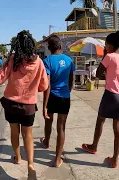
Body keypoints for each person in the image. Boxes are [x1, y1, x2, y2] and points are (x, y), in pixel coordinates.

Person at [0, 30, 48, 178]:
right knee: (28, 135)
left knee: (14, 132)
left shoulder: (12, 60)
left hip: (11, 105)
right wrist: (32, 89)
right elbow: (44, 86)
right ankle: (31, 166)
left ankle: (18, 157)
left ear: (16, 45)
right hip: (29, 107)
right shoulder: (38, 62)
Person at [81, 31, 119, 168]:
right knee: (117, 128)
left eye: (106, 45)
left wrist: (105, 55)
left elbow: (98, 73)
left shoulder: (109, 57)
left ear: (109, 45)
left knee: (100, 120)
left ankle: (93, 146)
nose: (105, 47)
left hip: (111, 95)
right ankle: (115, 159)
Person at [40, 35, 75, 168]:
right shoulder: (69, 60)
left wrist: (44, 106)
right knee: (61, 128)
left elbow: (47, 86)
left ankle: (46, 142)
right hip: (65, 97)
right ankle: (57, 159)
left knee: (49, 121)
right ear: (60, 46)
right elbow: (71, 80)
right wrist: (68, 90)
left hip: (52, 97)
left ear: (49, 48)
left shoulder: (47, 61)